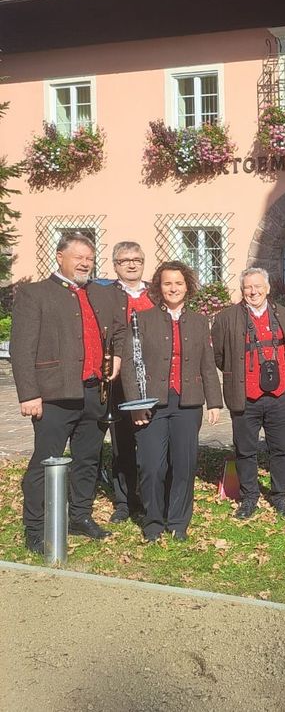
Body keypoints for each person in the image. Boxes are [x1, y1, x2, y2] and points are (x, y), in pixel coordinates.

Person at [11, 232, 125, 554]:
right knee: (45, 462)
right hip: (53, 395)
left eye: (89, 258)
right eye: (79, 257)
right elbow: (21, 347)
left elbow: (120, 329)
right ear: (60, 256)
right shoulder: (36, 294)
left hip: (94, 391)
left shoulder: (100, 294)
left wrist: (117, 355)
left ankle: (79, 516)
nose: (85, 263)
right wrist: (28, 394)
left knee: (88, 459)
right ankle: (35, 527)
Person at [122, 260, 222, 542]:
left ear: (187, 286)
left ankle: (178, 522)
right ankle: (153, 521)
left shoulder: (201, 322)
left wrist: (214, 401)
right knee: (152, 466)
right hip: (151, 405)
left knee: (184, 464)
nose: (173, 288)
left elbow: (207, 364)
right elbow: (130, 365)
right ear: (158, 287)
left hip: (188, 404)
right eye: (167, 283)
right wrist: (135, 404)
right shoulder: (142, 319)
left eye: (179, 283)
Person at [213, 267, 285, 519]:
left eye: (258, 286)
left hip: (278, 396)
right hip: (244, 396)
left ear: (268, 288)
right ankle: (249, 497)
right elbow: (220, 356)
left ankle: (280, 496)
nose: (253, 292)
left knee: (281, 448)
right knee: (245, 450)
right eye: (248, 287)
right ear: (242, 290)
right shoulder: (226, 318)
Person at [104, 241, 153, 523]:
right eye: (125, 260)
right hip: (119, 378)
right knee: (122, 442)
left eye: (137, 259)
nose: (132, 264)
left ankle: (150, 497)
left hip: (150, 377)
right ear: (115, 265)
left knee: (150, 441)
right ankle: (124, 501)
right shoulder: (105, 295)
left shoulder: (156, 293)